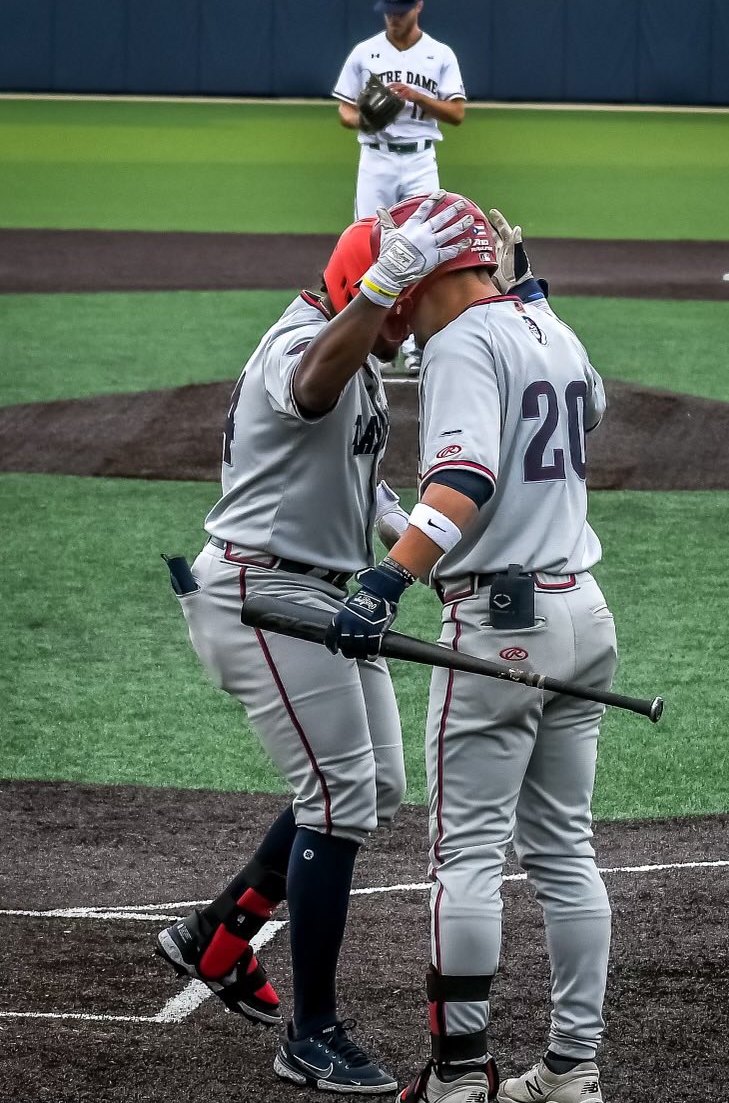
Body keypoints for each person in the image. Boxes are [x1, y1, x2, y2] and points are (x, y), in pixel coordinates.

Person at [156, 192, 476, 1095]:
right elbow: (308, 389)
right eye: (401, 305)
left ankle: (215, 937)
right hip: (262, 592)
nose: (404, 328)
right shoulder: (299, 344)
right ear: (363, 281)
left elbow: (364, 493)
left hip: (314, 593)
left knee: (373, 789)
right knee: (337, 798)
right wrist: (384, 281)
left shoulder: (361, 360)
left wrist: (414, 552)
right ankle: (312, 1033)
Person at [325, 197, 618, 1103]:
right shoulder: (548, 322)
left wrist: (387, 580)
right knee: (567, 849)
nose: (398, 312)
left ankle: (456, 1078)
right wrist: (530, 296)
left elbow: (465, 476)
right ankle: (573, 1069)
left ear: (431, 274)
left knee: (468, 859)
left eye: (403, 283)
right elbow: (591, 411)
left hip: (501, 628)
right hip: (586, 616)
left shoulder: (461, 344)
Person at [332, 0, 466, 374]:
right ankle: (369, 342)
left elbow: (457, 113)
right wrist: (363, 121)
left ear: (418, 7)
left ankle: (414, 342)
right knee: (368, 245)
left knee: (423, 246)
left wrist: (418, 97)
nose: (393, 17)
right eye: (389, 10)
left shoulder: (439, 54)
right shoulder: (364, 52)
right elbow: (344, 110)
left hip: (420, 159)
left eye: (401, 10)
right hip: (375, 159)